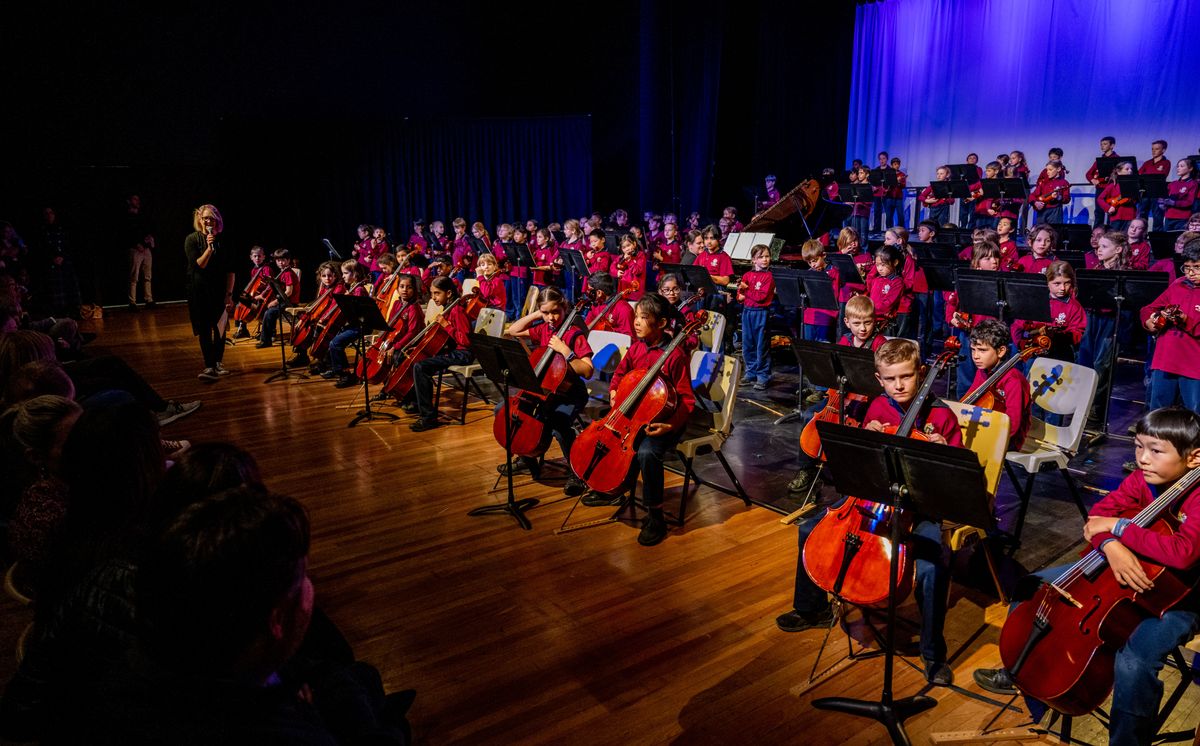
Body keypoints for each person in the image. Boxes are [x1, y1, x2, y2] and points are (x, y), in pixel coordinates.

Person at [85, 487, 410, 744]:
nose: (310, 589)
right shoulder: (281, 733)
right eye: (303, 578)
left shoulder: (140, 669)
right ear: (276, 621)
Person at [974, 407, 1200, 746]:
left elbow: (1184, 552)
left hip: (1178, 598)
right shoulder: (1142, 478)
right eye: (1138, 446)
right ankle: (1024, 674)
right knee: (1030, 588)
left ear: (1194, 458)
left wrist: (1120, 527)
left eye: (1155, 450)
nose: (1142, 459)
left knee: (1135, 662)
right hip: (1116, 573)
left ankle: (1127, 741)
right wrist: (1112, 546)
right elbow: (1097, 517)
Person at [778, 339, 962, 686]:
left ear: (921, 373)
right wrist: (865, 436)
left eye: (906, 376)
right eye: (890, 379)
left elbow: (955, 486)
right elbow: (853, 467)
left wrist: (943, 455)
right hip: (869, 502)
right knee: (808, 529)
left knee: (931, 568)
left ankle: (933, 653)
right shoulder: (877, 406)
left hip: (918, 510)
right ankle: (812, 609)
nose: (899, 385)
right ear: (879, 379)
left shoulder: (942, 417)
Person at [580, 294, 695, 547]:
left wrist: (670, 425)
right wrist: (613, 391)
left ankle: (655, 516)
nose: (637, 322)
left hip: (663, 422)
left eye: (644, 317)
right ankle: (613, 489)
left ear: (662, 323)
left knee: (646, 452)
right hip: (633, 417)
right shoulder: (636, 348)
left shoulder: (675, 356)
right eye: (637, 316)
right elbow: (619, 375)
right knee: (614, 441)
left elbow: (687, 400)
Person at [498, 287, 592, 497]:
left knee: (559, 425)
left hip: (569, 393)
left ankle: (576, 473)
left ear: (564, 308)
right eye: (546, 313)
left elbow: (587, 370)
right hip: (544, 390)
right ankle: (527, 457)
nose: (551, 317)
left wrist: (565, 351)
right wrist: (537, 313)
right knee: (505, 411)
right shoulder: (543, 328)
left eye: (555, 312)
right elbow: (514, 330)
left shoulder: (574, 334)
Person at [1140, 239, 1200, 412]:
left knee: (1194, 413)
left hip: (1194, 364)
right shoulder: (1178, 284)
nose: (1190, 273)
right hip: (1165, 359)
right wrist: (1151, 321)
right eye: (1187, 267)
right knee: (1158, 411)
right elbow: (1148, 308)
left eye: (1197, 267)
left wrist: (1185, 320)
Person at [1078, 231, 1130, 425]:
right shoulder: (1094, 269)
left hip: (1110, 321)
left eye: (1104, 247)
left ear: (1118, 250)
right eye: (1098, 246)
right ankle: (1081, 406)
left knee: (1102, 366)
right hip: (1091, 318)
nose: (1098, 250)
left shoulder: (1125, 274)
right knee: (1085, 362)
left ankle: (1095, 410)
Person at [409, 276, 473, 432]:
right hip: (453, 351)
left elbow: (466, 341)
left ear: (449, 293)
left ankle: (428, 418)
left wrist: (446, 325)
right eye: (432, 293)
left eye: (437, 293)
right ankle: (417, 404)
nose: (433, 297)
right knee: (417, 360)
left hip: (463, 354)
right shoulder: (448, 309)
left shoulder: (457, 310)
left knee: (421, 367)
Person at [183, 204, 237, 382]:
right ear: (199, 219)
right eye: (205, 218)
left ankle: (218, 363)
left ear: (217, 220)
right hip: (199, 291)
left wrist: (229, 294)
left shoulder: (224, 241)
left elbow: (230, 271)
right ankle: (209, 365)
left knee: (220, 328)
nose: (208, 221)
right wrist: (209, 248)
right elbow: (199, 264)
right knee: (205, 329)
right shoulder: (191, 239)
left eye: (211, 218)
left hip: (219, 291)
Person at [964, 319, 1031, 451]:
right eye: (973, 350)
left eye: (982, 350)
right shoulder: (982, 371)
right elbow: (968, 401)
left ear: (1001, 351)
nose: (975, 356)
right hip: (983, 428)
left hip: (1007, 438)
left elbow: (1012, 424)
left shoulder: (1013, 379)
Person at [947, 241, 1003, 396]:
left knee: (992, 379)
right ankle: (963, 404)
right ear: (977, 263)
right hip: (969, 335)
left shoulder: (1002, 283)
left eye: (996, 257)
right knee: (966, 376)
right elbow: (952, 303)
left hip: (992, 337)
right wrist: (951, 317)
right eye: (988, 258)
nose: (994, 261)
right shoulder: (967, 282)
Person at [1011, 260, 1086, 364]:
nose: (1062, 288)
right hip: (1033, 351)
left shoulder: (1074, 306)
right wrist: (1021, 344)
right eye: (1057, 283)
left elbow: (1078, 332)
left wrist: (1059, 336)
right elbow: (1017, 326)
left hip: (1060, 353)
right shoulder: (1035, 301)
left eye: (1067, 283)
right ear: (1047, 283)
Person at [323, 260, 372, 389]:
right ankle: (335, 367)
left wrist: (347, 303)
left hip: (361, 326)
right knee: (332, 337)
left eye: (345, 273)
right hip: (354, 324)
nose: (343, 276)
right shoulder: (353, 288)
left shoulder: (359, 290)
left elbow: (357, 313)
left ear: (355, 274)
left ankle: (345, 374)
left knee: (335, 343)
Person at [737, 244, 776, 390]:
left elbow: (761, 297)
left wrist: (746, 291)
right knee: (748, 344)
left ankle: (763, 375)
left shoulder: (769, 276)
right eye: (761, 257)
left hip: (761, 313)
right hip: (747, 311)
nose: (765, 259)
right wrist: (740, 295)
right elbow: (741, 295)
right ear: (753, 260)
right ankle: (751, 372)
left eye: (767, 256)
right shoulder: (747, 275)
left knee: (761, 345)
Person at [256, 249, 301, 349]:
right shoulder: (283, 272)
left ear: (288, 260)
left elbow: (288, 292)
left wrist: (275, 302)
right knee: (267, 310)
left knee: (269, 312)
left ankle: (266, 340)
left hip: (290, 302)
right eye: (278, 260)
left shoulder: (288, 273)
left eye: (283, 260)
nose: (281, 262)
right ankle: (270, 334)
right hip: (285, 300)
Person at [235, 245, 273, 340]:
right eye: (255, 256)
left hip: (265, 297)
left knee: (248, 304)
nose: (257, 258)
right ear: (251, 257)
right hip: (256, 296)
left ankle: (268, 331)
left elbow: (270, 285)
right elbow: (254, 285)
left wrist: (261, 295)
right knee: (240, 302)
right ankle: (243, 329)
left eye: (259, 256)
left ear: (264, 257)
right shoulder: (254, 270)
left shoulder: (266, 269)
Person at [866, 244, 905, 336]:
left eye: (883, 265)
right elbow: (869, 284)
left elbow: (887, 305)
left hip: (884, 323)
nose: (879, 268)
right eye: (877, 265)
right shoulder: (876, 279)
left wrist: (868, 309)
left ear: (895, 262)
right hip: (871, 318)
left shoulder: (897, 282)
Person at [124, 195, 154, 311]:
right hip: (135, 249)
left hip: (146, 249)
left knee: (147, 275)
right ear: (129, 201)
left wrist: (150, 238)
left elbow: (147, 229)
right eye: (134, 199)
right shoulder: (127, 217)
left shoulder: (142, 216)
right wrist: (136, 244)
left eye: (138, 199)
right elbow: (126, 234)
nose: (137, 201)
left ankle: (149, 300)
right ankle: (132, 302)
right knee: (134, 276)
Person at [584, 271, 634, 336]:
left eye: (590, 290)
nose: (588, 293)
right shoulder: (596, 304)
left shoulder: (624, 309)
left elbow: (629, 338)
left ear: (599, 293)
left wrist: (610, 331)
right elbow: (586, 325)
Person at [1086, 136, 1119, 228]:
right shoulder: (1099, 160)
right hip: (1100, 189)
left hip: (1112, 190)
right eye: (1101, 144)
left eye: (1105, 144)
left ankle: (1110, 233)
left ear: (1112, 146)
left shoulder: (1117, 159)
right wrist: (1093, 180)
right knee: (1098, 212)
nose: (1102, 146)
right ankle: (1096, 232)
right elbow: (1088, 174)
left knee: (1111, 211)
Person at [1098, 160, 1137, 232]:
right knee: (1114, 237)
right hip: (1116, 216)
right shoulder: (1113, 186)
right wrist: (1108, 208)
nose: (1130, 171)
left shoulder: (1134, 185)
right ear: (1119, 172)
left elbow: (1136, 200)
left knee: (1126, 237)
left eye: (1131, 169)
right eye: (1127, 169)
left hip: (1131, 216)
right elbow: (1100, 199)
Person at [1139, 140, 1171, 227]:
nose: (1153, 151)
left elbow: (1162, 176)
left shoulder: (1166, 162)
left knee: (1157, 217)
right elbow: (1140, 175)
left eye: (1156, 149)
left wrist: (1147, 176)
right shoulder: (1147, 163)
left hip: (1157, 193)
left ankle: (1157, 234)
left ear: (1163, 150)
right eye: (1152, 149)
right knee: (1142, 215)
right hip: (1145, 192)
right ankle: (1142, 233)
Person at [1160, 158, 1197, 231]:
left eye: (1181, 166)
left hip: (1182, 218)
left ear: (1190, 168)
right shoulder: (1172, 184)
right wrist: (1162, 204)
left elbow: (1189, 202)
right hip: (1169, 216)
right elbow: (1164, 197)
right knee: (1167, 237)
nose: (1178, 168)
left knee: (1180, 237)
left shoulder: (1193, 184)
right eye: (1177, 166)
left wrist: (1174, 203)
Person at [612, 234, 646, 301]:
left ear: (634, 244)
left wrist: (630, 261)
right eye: (624, 247)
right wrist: (616, 272)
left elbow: (637, 271)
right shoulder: (621, 257)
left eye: (628, 245)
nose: (627, 249)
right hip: (623, 290)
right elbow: (612, 267)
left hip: (635, 291)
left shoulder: (640, 255)